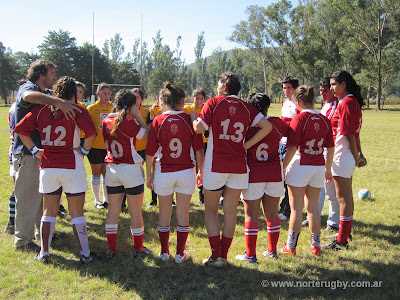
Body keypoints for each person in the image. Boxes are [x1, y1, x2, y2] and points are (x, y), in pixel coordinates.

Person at [191, 72, 272, 267]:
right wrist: (245, 145)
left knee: (210, 211)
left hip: (216, 164)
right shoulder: (246, 106)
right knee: (230, 212)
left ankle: (215, 255)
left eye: (219, 84)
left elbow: (198, 129)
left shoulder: (214, 102)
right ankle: (224, 256)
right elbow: (267, 126)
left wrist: (194, 117)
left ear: (225, 87)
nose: (217, 88)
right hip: (238, 165)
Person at [14, 76, 98, 263]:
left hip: (48, 165)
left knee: (48, 212)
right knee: (76, 211)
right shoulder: (77, 110)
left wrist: (35, 150)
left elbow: (20, 130)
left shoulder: (41, 109)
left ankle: (44, 253)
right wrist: (83, 151)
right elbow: (92, 133)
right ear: (72, 93)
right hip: (71, 163)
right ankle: (85, 254)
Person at [12, 60, 79, 252]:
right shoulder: (29, 87)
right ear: (41, 74)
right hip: (28, 153)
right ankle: (22, 241)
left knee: (41, 196)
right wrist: (58, 101)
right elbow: (28, 96)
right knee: (27, 198)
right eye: (51, 73)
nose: (54, 77)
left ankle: (43, 233)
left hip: (40, 153)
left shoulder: (44, 93)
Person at [146, 82, 204, 264]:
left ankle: (164, 252)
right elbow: (199, 150)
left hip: (164, 171)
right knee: (183, 213)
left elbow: (150, 153)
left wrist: (149, 173)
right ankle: (180, 254)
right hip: (186, 171)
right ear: (180, 100)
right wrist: (200, 171)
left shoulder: (158, 120)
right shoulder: (189, 120)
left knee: (164, 212)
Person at [235, 93, 290, 263]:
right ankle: (272, 251)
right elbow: (292, 135)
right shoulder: (277, 123)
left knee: (251, 214)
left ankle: (250, 254)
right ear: (267, 107)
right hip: (274, 173)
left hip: (254, 173)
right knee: (272, 213)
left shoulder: (246, 126)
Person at [279, 85, 334, 256]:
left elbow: (293, 147)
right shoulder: (324, 119)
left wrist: (282, 168)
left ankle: (291, 246)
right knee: (313, 209)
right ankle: (315, 246)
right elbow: (330, 148)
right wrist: (328, 169)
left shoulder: (299, 119)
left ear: (298, 102)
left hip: (300, 165)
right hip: (318, 166)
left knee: (296, 209)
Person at [102, 89, 151, 260]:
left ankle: (111, 250)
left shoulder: (106, 120)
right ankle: (138, 249)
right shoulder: (129, 123)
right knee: (135, 212)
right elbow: (149, 136)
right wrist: (138, 117)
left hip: (112, 169)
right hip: (130, 169)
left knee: (113, 211)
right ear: (132, 106)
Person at [323, 70, 367, 250]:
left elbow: (349, 134)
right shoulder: (349, 102)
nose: (331, 88)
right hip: (345, 155)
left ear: (344, 84)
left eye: (334, 84)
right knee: (346, 197)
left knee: (343, 198)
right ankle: (344, 233)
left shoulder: (347, 103)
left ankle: (341, 241)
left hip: (342, 155)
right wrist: (359, 154)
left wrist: (357, 156)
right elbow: (355, 134)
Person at [302, 77, 340, 233]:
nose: (322, 93)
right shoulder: (325, 105)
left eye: (325, 90)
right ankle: (313, 215)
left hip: (332, 149)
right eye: (321, 91)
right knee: (318, 186)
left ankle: (333, 222)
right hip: (322, 148)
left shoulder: (336, 105)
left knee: (331, 188)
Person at [87, 83, 114, 209]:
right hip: (95, 146)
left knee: (107, 173)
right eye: (104, 93)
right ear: (98, 94)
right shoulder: (91, 109)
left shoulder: (113, 107)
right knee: (96, 172)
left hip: (109, 147)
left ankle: (106, 199)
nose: (107, 96)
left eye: (109, 93)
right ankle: (97, 201)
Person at [132, 88, 158, 207]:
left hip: (143, 148)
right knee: (134, 175)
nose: (135, 99)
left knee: (151, 172)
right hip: (131, 148)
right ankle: (126, 202)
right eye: (133, 96)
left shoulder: (147, 112)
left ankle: (153, 199)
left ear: (142, 99)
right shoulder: (126, 111)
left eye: (137, 97)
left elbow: (149, 130)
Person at [278, 76, 299, 221]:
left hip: (292, 144)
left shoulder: (298, 104)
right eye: (284, 88)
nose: (286, 90)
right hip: (282, 143)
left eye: (289, 88)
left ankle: (288, 209)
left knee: (289, 177)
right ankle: (284, 206)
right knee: (282, 175)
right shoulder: (285, 102)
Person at [184, 88, 208, 205]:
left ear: (204, 99)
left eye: (201, 98)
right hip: (190, 143)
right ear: (192, 98)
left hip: (205, 142)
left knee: (202, 168)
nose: (199, 101)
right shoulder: (187, 109)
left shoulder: (206, 109)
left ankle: (201, 196)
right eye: (197, 98)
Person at [4, 102, 17, 234]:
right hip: (18, 151)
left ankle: (12, 222)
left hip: (14, 150)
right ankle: (12, 222)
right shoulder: (18, 106)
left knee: (18, 187)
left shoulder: (13, 106)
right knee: (18, 188)